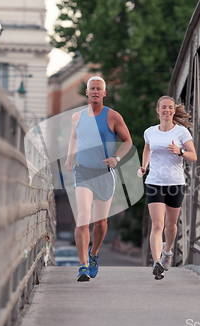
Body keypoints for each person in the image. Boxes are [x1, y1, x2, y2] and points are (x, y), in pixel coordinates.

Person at [65, 76, 132, 282]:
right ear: (87, 92)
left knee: (101, 224)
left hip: (104, 174)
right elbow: (74, 137)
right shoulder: (77, 117)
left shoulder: (113, 116)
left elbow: (128, 141)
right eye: (92, 88)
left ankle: (94, 254)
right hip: (83, 172)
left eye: (98, 89)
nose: (95, 91)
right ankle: (83, 265)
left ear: (104, 93)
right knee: (83, 218)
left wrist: (116, 158)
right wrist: (70, 157)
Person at [138, 96, 197, 280]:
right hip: (155, 182)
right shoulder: (150, 132)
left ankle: (167, 253)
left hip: (175, 183)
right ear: (158, 110)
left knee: (171, 226)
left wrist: (179, 151)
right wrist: (144, 165)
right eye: (163, 107)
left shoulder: (182, 132)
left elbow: (194, 156)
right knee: (157, 225)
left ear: (173, 110)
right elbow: (147, 149)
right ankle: (157, 262)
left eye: (170, 108)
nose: (167, 110)